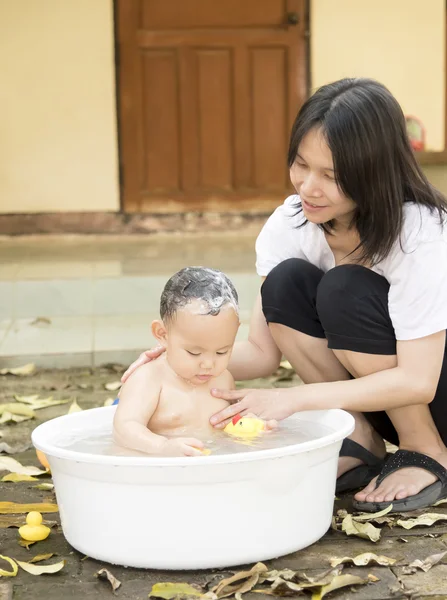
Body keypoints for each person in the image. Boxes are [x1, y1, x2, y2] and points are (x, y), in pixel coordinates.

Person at [121, 78, 447, 512]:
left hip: (434, 392)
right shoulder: (292, 223)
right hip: (379, 397)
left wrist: (292, 400)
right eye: (300, 164)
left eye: (330, 176)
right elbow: (261, 353)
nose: (308, 187)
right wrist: (171, 358)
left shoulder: (419, 232)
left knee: (345, 287)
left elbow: (418, 381)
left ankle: (425, 448)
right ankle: (360, 436)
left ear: (373, 171)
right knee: (286, 281)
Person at [113, 267, 239, 456]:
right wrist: (161, 446)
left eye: (222, 352)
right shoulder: (150, 378)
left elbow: (231, 421)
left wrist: (251, 425)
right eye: (194, 352)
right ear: (162, 334)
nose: (208, 364)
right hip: (162, 470)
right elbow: (124, 428)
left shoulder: (223, 378)